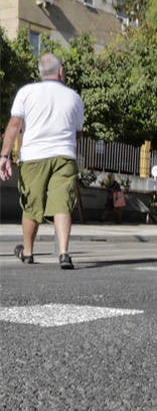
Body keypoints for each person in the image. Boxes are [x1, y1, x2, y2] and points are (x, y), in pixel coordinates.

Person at [1, 53, 85, 269]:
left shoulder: (26, 92)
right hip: (64, 156)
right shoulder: (74, 97)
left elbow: (14, 125)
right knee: (62, 203)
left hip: (34, 157)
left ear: (40, 72)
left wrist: (4, 156)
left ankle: (28, 253)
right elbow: (77, 134)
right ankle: (64, 253)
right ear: (61, 72)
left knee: (32, 205)